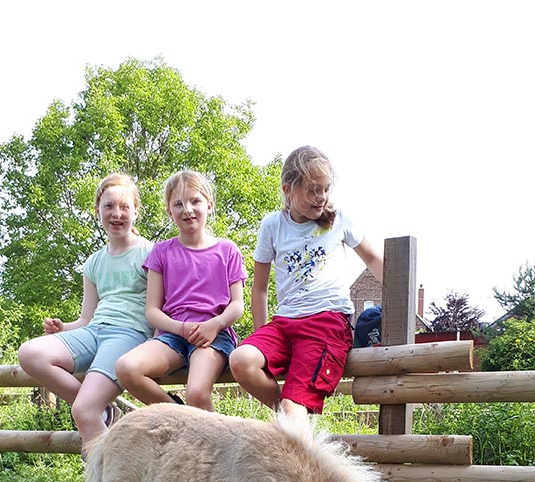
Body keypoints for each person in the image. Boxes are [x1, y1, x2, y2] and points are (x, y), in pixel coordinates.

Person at [229, 145, 383, 421]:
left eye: (325, 189)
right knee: (241, 360)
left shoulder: (338, 221)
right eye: (312, 190)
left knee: (292, 408)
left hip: (326, 321)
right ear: (288, 190)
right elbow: (260, 289)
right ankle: (290, 422)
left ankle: (291, 420)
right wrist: (262, 337)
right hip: (284, 323)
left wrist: (400, 294)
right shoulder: (272, 225)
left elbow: (372, 260)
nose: (320, 197)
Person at [18, 172, 153, 447]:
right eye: (109, 206)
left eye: (125, 207)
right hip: (94, 332)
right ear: (97, 210)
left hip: (129, 334)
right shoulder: (93, 263)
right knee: (30, 352)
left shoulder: (151, 254)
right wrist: (63, 328)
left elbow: (158, 309)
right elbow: (87, 318)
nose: (117, 213)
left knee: (82, 410)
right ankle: (102, 409)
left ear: (136, 211)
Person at [115, 170, 245, 411]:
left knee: (196, 393)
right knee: (126, 368)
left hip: (213, 335)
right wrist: (180, 328)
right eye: (178, 204)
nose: (187, 209)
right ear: (169, 211)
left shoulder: (227, 250)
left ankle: (215, 447)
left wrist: (214, 325)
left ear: (209, 205)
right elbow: (152, 310)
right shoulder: (162, 252)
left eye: (195, 201)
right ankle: (177, 415)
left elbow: (237, 305)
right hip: (172, 335)